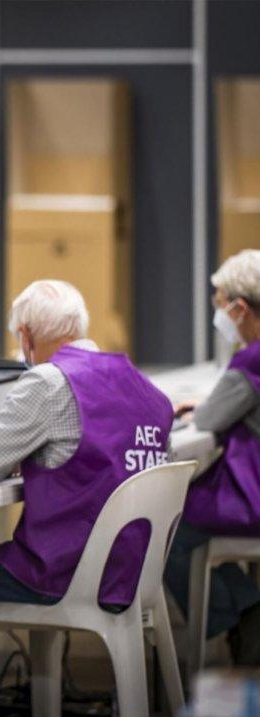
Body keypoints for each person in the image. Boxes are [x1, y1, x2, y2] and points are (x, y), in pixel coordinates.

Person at [0, 280, 173, 621]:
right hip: (134, 573)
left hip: (64, 575)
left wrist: (15, 454)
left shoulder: (48, 382)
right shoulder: (143, 386)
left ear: (26, 335)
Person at [163, 250, 260, 664]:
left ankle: (237, 615)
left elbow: (210, 419)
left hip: (252, 495)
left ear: (240, 308)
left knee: (164, 526)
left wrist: (201, 408)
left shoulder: (251, 358)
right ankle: (247, 607)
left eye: (221, 305)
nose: (219, 315)